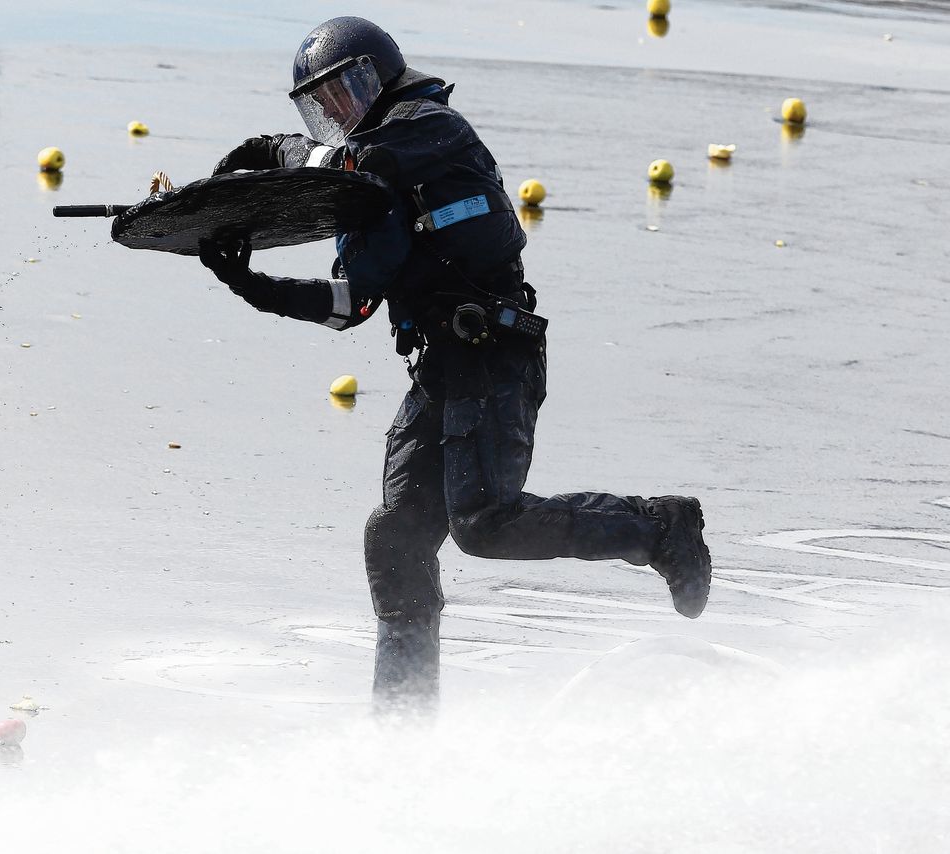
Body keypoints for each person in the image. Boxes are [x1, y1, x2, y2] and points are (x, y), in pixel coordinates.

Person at [199, 16, 712, 709]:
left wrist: (274, 150)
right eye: (324, 108)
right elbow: (350, 306)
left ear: (379, 76)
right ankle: (404, 727)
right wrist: (253, 285)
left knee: (484, 524)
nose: (340, 114)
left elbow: (361, 162)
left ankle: (658, 527)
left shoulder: (428, 126)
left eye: (347, 92)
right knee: (397, 537)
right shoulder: (368, 195)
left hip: (497, 356)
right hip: (441, 367)